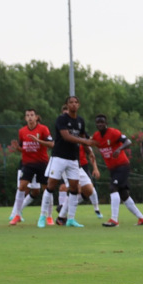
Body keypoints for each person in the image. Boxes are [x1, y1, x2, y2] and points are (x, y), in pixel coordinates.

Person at [37, 96, 95, 228]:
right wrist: (86, 142)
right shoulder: (61, 119)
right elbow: (66, 136)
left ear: (79, 105)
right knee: (51, 185)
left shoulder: (80, 121)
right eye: (71, 103)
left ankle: (70, 219)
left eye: (76, 102)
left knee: (74, 188)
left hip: (73, 159)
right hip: (59, 157)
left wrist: (89, 150)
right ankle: (42, 216)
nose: (73, 105)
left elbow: (83, 137)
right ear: (67, 105)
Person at [91, 114, 143, 227]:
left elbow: (128, 142)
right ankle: (141, 218)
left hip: (122, 165)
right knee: (124, 194)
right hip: (112, 168)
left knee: (113, 188)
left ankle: (114, 220)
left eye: (102, 122)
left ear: (106, 123)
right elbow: (89, 143)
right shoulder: (96, 136)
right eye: (98, 122)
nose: (100, 124)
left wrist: (119, 149)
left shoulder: (113, 132)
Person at [9, 108, 53, 225]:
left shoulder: (43, 129)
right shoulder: (22, 131)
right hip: (27, 164)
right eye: (27, 115)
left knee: (47, 189)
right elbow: (23, 148)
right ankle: (17, 214)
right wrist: (16, 148)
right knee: (22, 186)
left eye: (32, 115)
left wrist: (38, 140)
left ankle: (49, 216)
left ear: (36, 117)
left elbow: (51, 144)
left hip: (42, 163)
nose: (30, 117)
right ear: (25, 118)